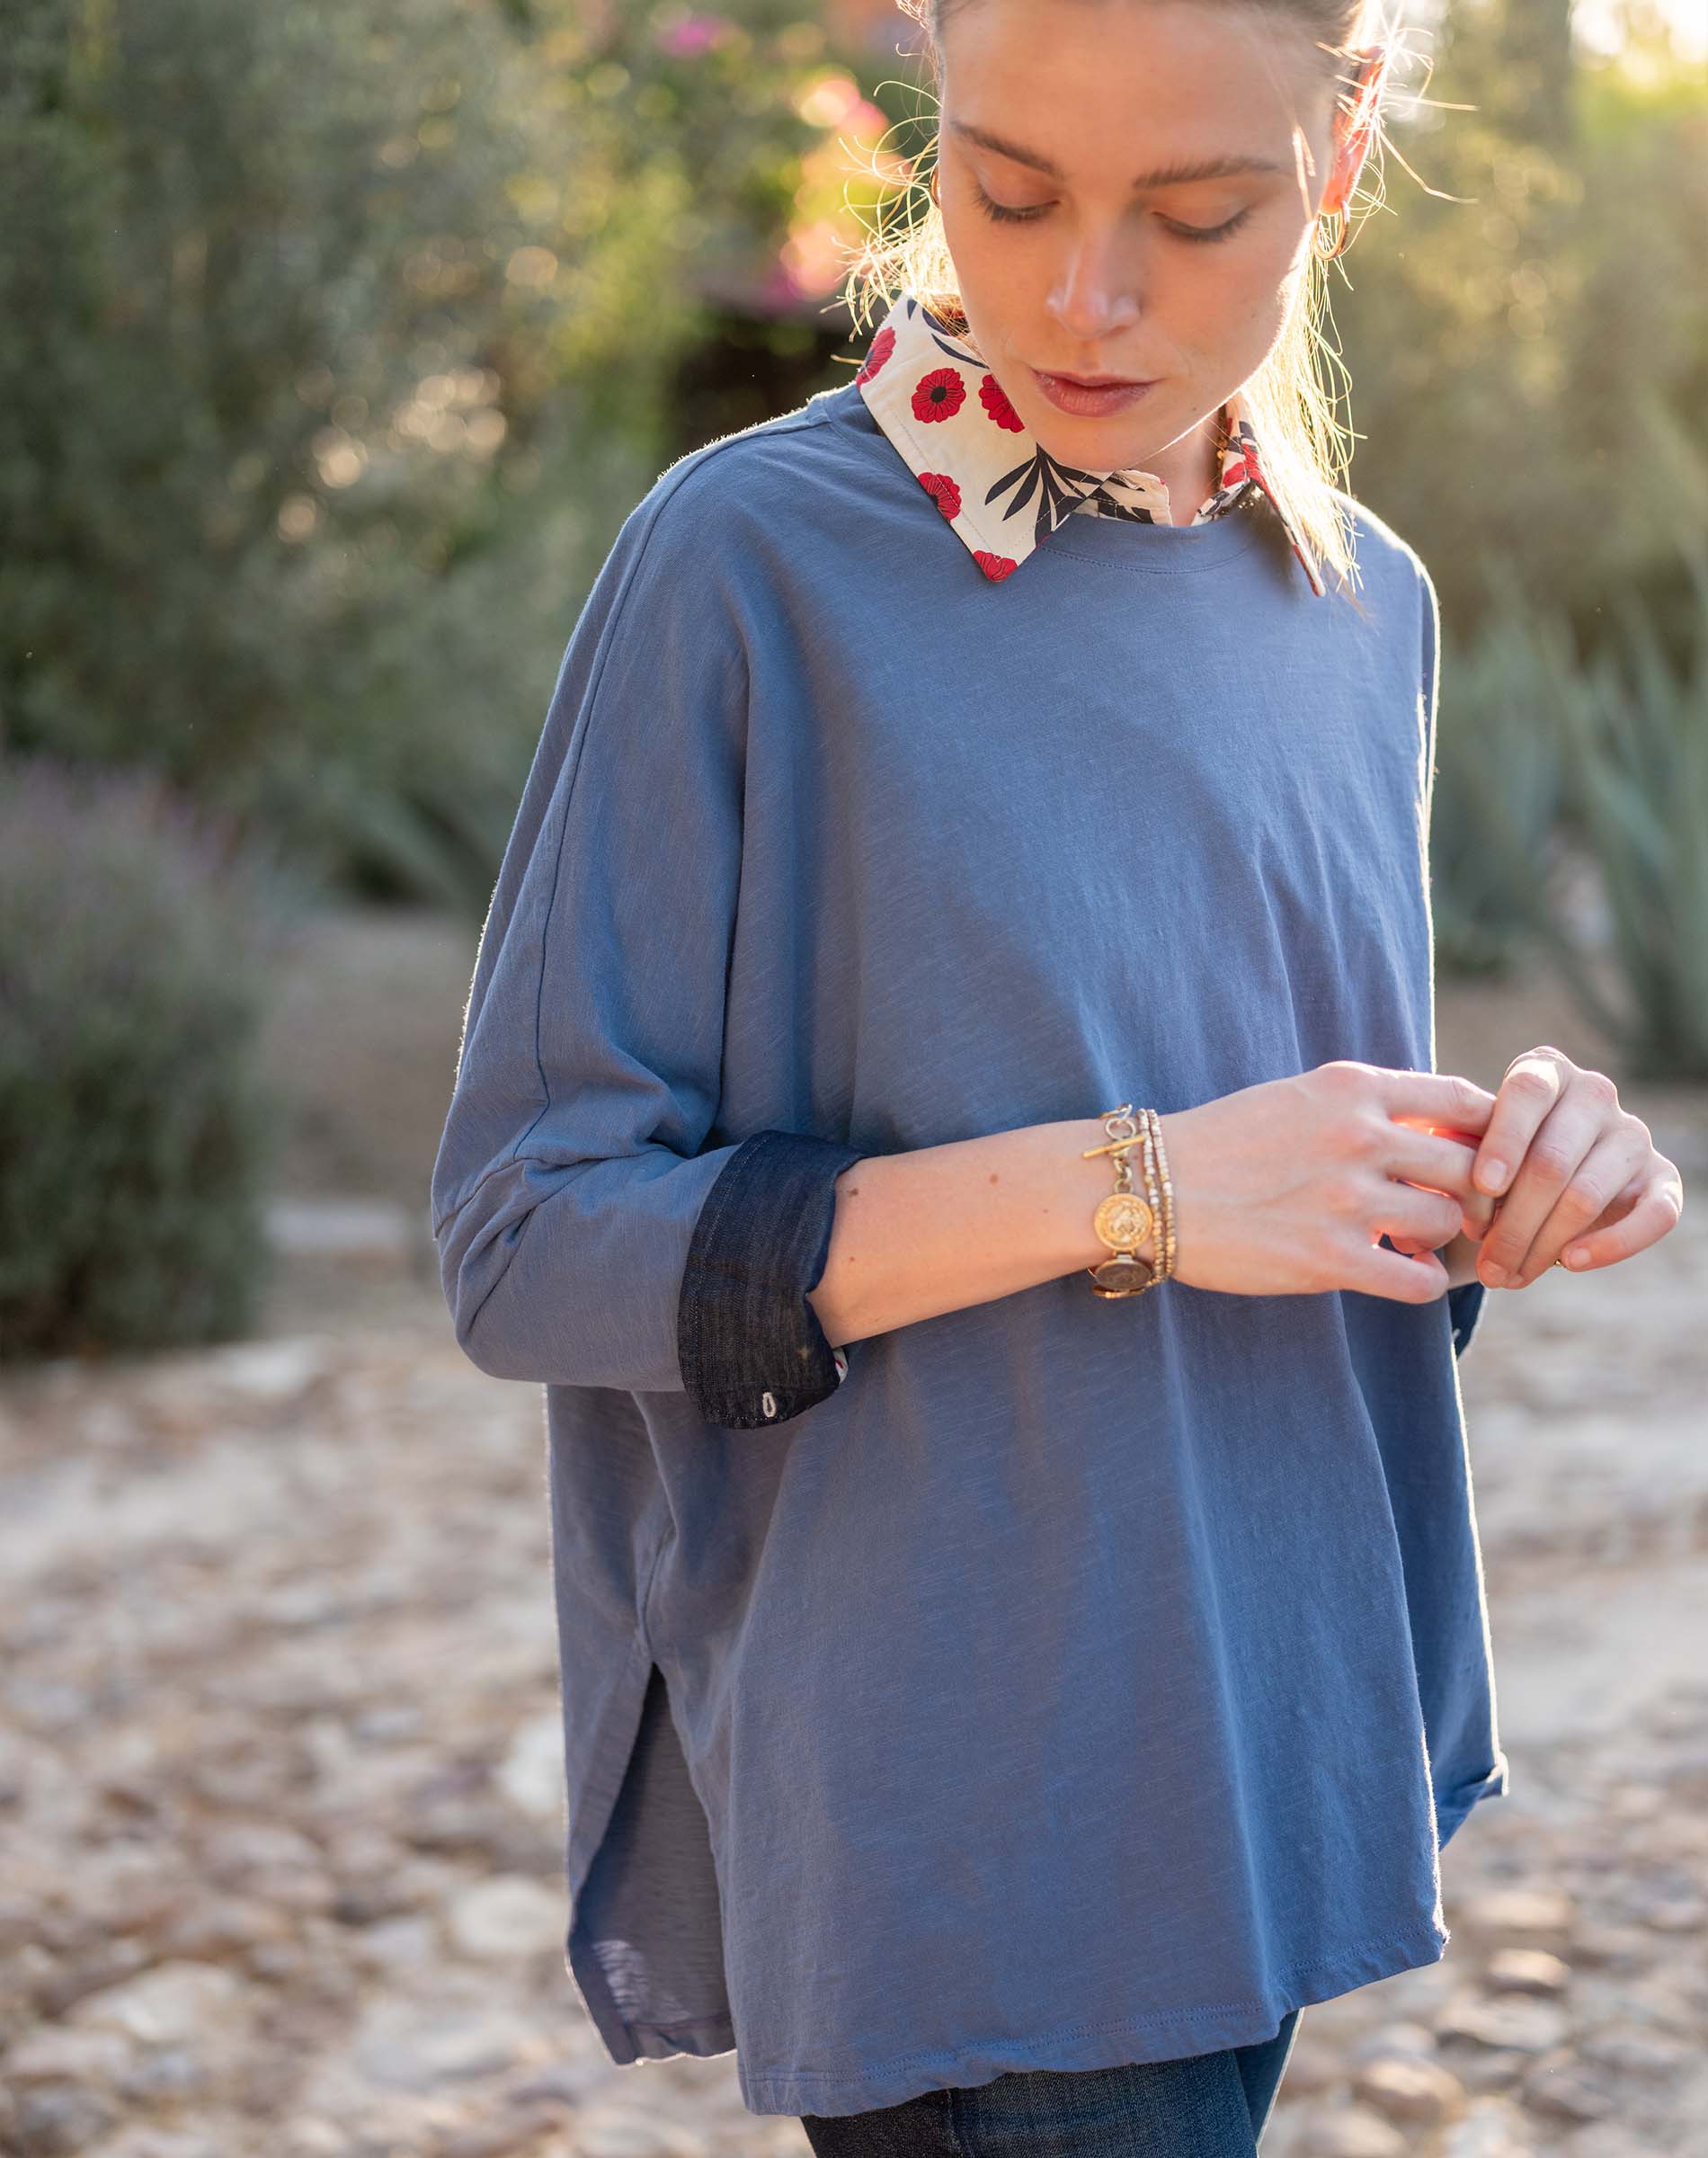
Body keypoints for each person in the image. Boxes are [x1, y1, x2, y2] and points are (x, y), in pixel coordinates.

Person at [430, 0, 1685, 2149]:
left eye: (1196, 215)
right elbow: (526, 1238)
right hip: (973, 1797)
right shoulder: (746, 569)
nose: (1082, 296)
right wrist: (1148, 1187)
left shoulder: (1351, 599)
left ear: (1341, 164)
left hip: (1281, 1732)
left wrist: (1490, 1175)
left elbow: (1267, 1162)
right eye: (1006, 190)